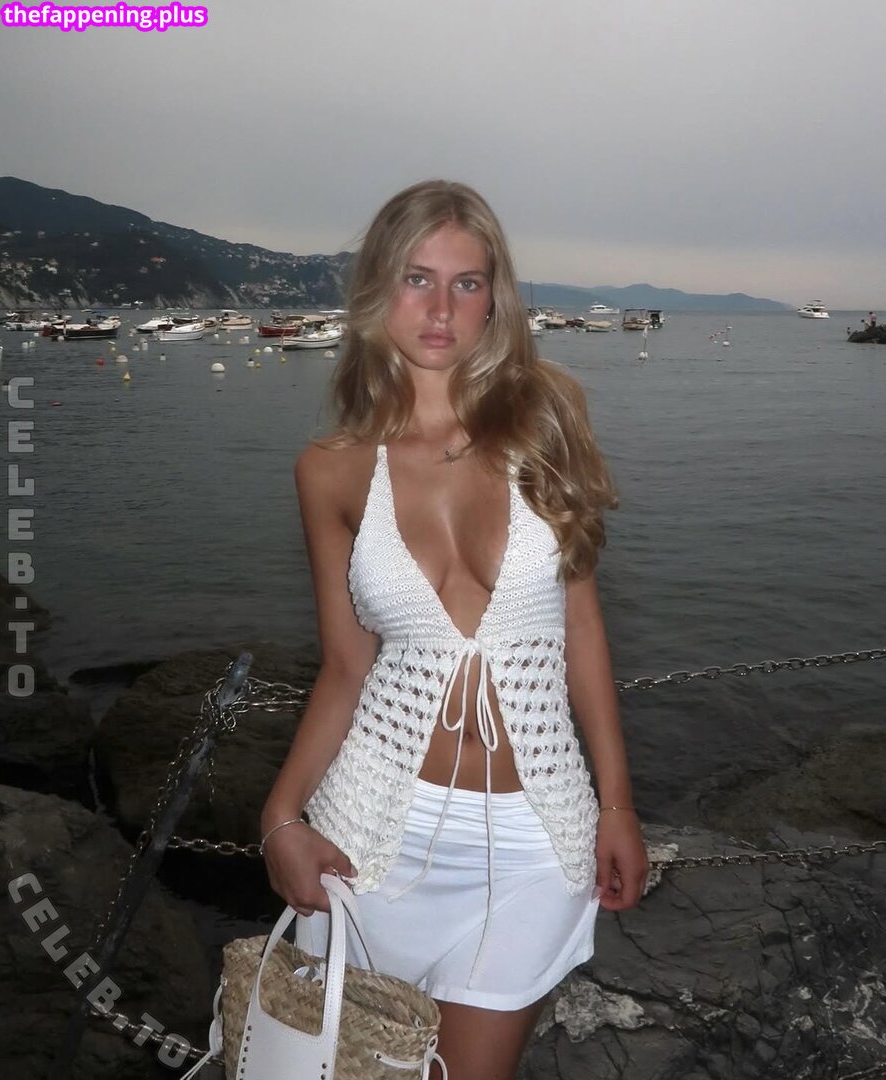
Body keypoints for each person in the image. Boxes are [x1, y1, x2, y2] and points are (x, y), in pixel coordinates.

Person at [260, 179, 648, 1080]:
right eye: (417, 278)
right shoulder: (330, 470)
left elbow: (580, 628)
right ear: (377, 289)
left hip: (533, 839)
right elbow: (346, 667)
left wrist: (618, 806)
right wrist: (279, 817)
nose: (440, 309)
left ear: (493, 300)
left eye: (466, 283)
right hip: (370, 832)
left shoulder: (547, 421)